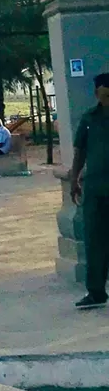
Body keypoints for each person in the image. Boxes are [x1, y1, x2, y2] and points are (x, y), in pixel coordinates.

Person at [70, 73, 109, 309]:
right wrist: (74, 179)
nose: (107, 99)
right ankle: (95, 292)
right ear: (97, 94)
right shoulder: (88, 118)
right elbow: (79, 152)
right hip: (95, 189)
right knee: (95, 241)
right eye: (103, 94)